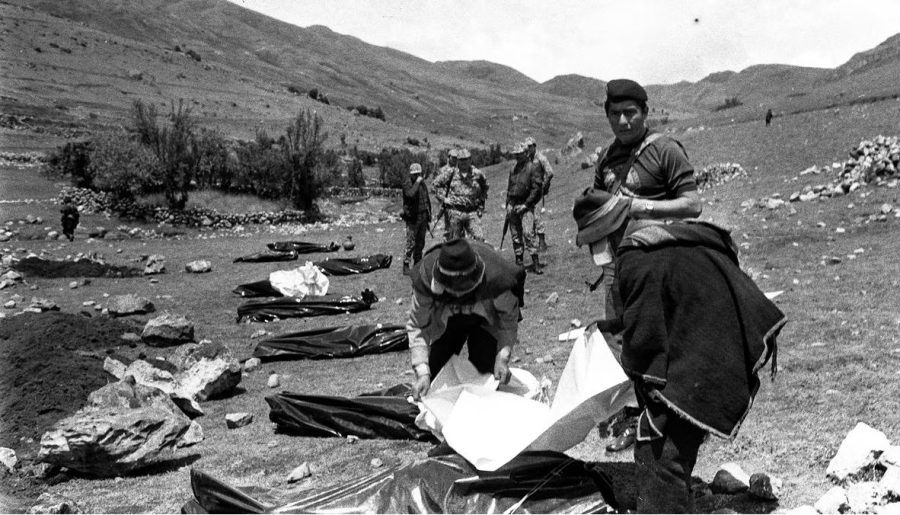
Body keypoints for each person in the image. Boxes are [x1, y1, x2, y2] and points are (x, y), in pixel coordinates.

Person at [572, 188, 786, 513]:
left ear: (609, 232)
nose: (595, 251)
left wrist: (638, 380)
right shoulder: (666, 236)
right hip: (727, 332)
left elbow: (646, 339)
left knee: (660, 444)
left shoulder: (637, 258)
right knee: (672, 429)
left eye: (594, 243)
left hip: (705, 347)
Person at [592, 78, 703, 453]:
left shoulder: (665, 150)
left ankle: (671, 418)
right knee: (622, 341)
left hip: (660, 264)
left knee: (657, 341)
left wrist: (644, 208)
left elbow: (692, 205)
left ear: (645, 112)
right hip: (618, 266)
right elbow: (600, 209)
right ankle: (634, 415)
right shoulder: (606, 158)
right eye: (615, 114)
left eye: (630, 113)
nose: (623, 121)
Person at [406, 237, 525, 401]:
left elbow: (508, 322)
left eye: (462, 291)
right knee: (434, 381)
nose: (457, 296)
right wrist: (422, 371)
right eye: (451, 290)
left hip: (485, 322)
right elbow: (418, 325)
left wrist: (502, 357)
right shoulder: (425, 278)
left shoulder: (498, 280)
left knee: (485, 379)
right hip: (447, 321)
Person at [431, 149, 488, 241]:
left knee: (479, 238)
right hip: (455, 212)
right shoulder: (451, 173)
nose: (464, 162)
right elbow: (434, 185)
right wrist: (443, 199)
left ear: (470, 160)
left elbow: (485, 187)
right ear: (458, 160)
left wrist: (481, 203)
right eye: (461, 159)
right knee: (455, 242)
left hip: (472, 212)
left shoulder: (477, 173)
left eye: (466, 159)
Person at [505, 142, 544, 273]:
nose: (518, 157)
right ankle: (519, 263)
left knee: (528, 234)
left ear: (526, 154)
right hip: (513, 205)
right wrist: (508, 204)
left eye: (520, 154)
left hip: (526, 206)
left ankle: (536, 264)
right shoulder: (513, 169)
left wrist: (526, 205)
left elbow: (536, 189)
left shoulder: (533, 168)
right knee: (515, 235)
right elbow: (509, 188)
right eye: (516, 155)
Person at [401, 163, 432, 276]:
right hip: (413, 218)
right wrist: (418, 182)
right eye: (415, 174)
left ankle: (417, 264)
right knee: (411, 242)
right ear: (411, 174)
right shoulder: (407, 183)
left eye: (418, 174)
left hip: (423, 216)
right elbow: (410, 194)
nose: (417, 176)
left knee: (420, 242)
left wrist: (428, 215)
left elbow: (426, 199)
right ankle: (406, 264)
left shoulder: (422, 184)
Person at [524, 136, 554, 252]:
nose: (528, 148)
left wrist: (544, 186)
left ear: (534, 146)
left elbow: (550, 172)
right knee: (529, 217)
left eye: (530, 146)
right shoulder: (527, 159)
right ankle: (532, 242)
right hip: (529, 193)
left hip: (538, 192)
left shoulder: (541, 158)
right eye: (527, 146)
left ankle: (542, 242)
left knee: (537, 217)